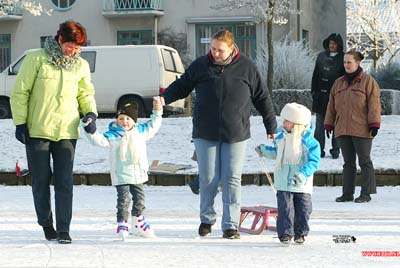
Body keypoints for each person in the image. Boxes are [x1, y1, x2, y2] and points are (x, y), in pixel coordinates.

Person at [158, 30, 277, 239]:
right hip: (205, 131)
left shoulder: (246, 67)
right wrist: (164, 98)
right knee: (208, 178)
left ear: (231, 48)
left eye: (220, 50)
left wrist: (271, 126)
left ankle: (230, 224)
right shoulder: (201, 65)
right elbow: (182, 85)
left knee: (232, 178)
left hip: (236, 132)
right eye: (212, 49)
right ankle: (206, 218)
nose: (215, 53)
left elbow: (262, 97)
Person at [10, 21, 97, 244]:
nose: (74, 51)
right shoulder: (37, 58)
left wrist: (90, 113)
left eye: (78, 48)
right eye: (71, 46)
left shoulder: (80, 66)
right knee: (40, 180)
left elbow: (85, 93)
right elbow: (20, 92)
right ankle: (46, 224)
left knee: (64, 182)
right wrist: (20, 123)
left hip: (67, 131)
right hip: (37, 129)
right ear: (60, 40)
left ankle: (64, 228)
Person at [82, 98, 162, 240]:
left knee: (140, 199)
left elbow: (154, 125)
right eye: (121, 118)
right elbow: (99, 140)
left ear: (134, 121)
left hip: (138, 173)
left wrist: (157, 111)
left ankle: (138, 221)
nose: (124, 121)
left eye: (127, 119)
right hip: (121, 174)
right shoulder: (113, 135)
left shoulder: (141, 131)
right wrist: (90, 130)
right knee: (123, 200)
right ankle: (122, 222)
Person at [256, 103, 320, 245]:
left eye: (287, 120)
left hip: (301, 184)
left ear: (297, 123)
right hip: (283, 182)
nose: (283, 123)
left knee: (303, 210)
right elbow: (276, 153)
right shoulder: (281, 138)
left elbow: (313, 162)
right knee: (285, 209)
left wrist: (302, 175)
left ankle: (300, 233)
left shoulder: (309, 142)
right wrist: (264, 150)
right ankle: (285, 233)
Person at [324, 51, 381, 203]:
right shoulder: (338, 83)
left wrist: (374, 124)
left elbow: (374, 105)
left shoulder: (368, 82)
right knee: (348, 163)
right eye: (345, 62)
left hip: (362, 129)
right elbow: (331, 105)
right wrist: (328, 123)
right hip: (343, 128)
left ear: (357, 63)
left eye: (349, 62)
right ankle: (347, 193)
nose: (346, 65)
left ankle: (366, 193)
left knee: (364, 161)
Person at [311, 33, 345, 159]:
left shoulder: (343, 58)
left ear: (338, 45)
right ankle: (318, 149)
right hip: (320, 98)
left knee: (337, 125)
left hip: (337, 98)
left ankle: (336, 149)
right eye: (330, 43)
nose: (332, 46)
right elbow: (315, 76)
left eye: (334, 44)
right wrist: (314, 92)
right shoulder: (321, 57)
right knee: (319, 126)